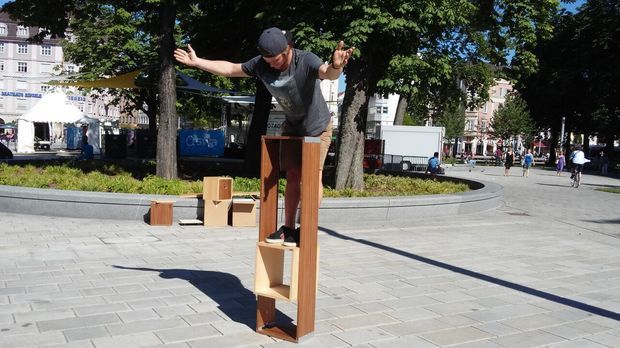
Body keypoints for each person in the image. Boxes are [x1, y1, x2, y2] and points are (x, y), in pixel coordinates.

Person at [174, 27, 354, 247]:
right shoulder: (261, 63)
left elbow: (328, 73)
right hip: (293, 126)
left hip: (318, 126)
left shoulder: (305, 60)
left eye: (276, 60)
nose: (272, 65)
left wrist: (337, 65)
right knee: (293, 175)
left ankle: (306, 228)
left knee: (310, 177)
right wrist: (198, 62)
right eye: (268, 61)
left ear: (288, 49)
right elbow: (231, 69)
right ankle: (288, 228)